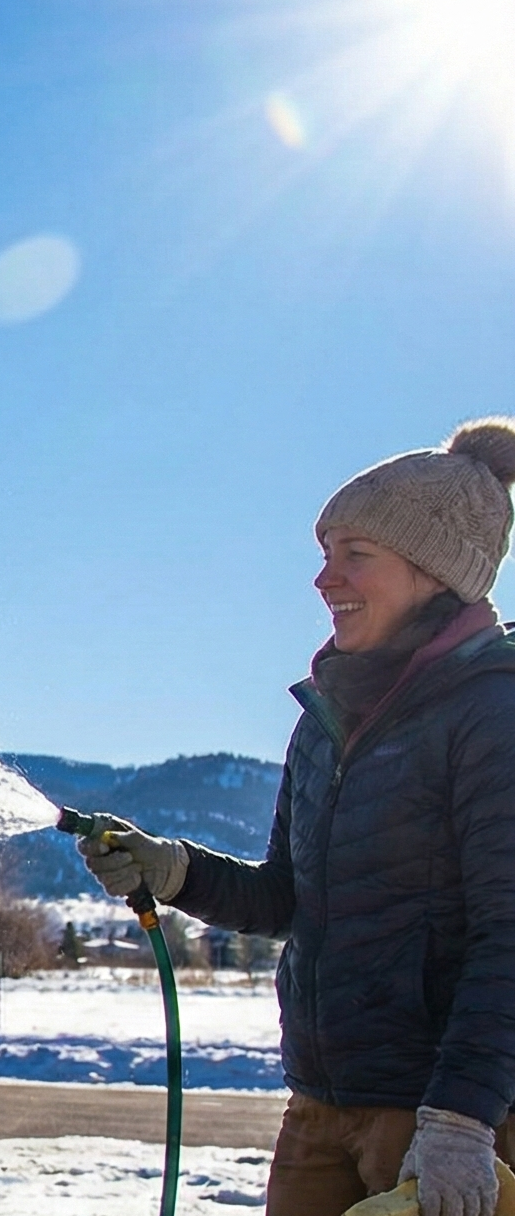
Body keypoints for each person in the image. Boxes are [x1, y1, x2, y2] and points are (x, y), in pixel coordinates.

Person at [83, 419, 515, 1216]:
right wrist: (172, 868)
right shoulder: (325, 722)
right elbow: (286, 895)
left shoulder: (492, 708)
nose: (325, 579)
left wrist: (460, 1117)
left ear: (434, 570)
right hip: (319, 1105)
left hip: (438, 1117)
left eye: (356, 554)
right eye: (324, 553)